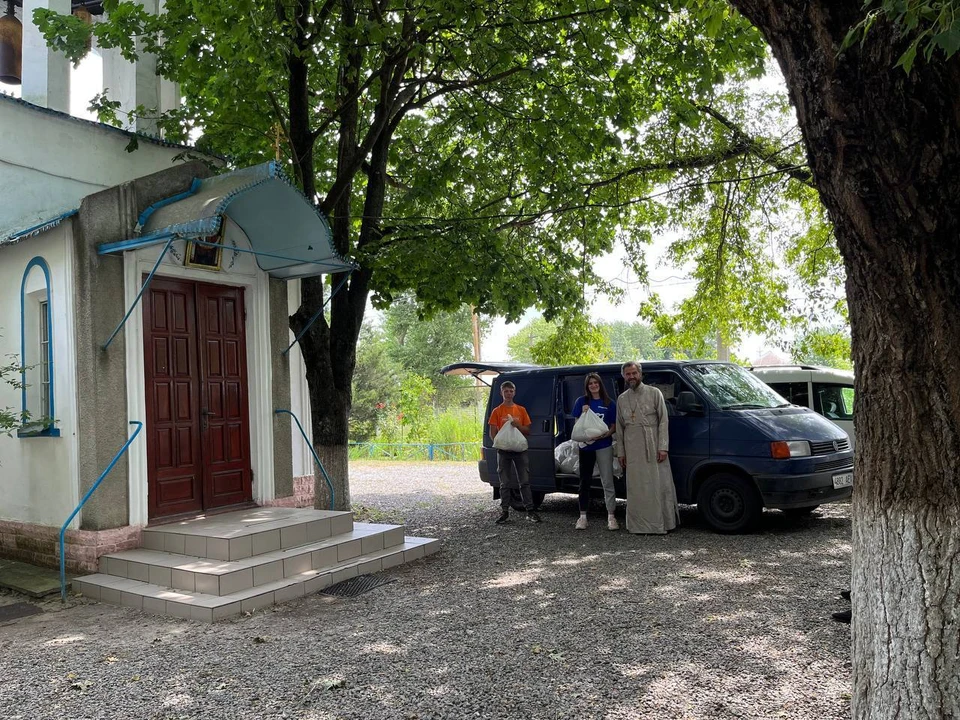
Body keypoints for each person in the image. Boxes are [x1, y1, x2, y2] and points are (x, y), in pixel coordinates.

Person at [615, 361, 679, 534]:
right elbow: (619, 428)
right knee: (637, 488)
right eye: (628, 374)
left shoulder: (654, 393)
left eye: (634, 373)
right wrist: (621, 453)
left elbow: (664, 421)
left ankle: (660, 524)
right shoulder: (621, 399)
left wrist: (663, 447)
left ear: (640, 373)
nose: (631, 377)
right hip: (632, 447)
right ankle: (638, 526)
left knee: (657, 485)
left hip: (653, 444)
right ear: (624, 376)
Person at [488, 381, 542, 524]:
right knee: (504, 482)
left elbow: (528, 431)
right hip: (503, 451)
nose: (508, 393)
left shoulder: (521, 410)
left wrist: (518, 425)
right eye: (506, 391)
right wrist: (501, 445)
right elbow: (492, 433)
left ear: (514, 392)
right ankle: (504, 511)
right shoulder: (497, 411)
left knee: (524, 481)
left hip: (520, 451)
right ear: (501, 393)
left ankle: (530, 511)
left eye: (511, 391)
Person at [573, 372, 618, 531]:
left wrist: (607, 433)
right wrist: (584, 414)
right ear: (587, 386)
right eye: (590, 383)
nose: (593, 385)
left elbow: (613, 425)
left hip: (603, 445)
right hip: (586, 446)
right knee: (584, 481)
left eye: (595, 383)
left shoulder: (609, 403)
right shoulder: (581, 402)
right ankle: (583, 516)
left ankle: (611, 516)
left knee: (607, 480)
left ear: (600, 384)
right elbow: (577, 425)